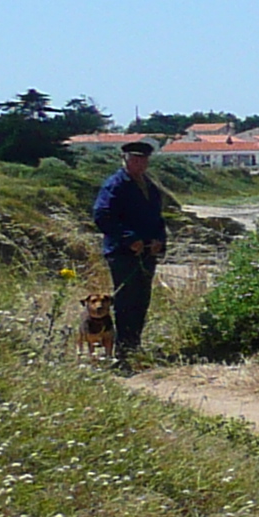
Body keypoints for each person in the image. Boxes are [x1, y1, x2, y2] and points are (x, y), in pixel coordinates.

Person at [92, 139, 168, 365]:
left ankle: (134, 345)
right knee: (125, 300)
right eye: (134, 159)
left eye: (143, 159)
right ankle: (122, 350)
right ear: (124, 160)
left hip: (147, 253)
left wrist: (159, 241)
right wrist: (129, 240)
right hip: (123, 253)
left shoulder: (149, 185)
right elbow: (103, 216)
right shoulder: (115, 184)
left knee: (141, 300)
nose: (139, 163)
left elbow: (157, 218)